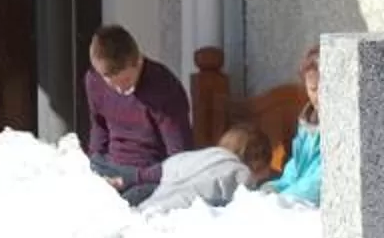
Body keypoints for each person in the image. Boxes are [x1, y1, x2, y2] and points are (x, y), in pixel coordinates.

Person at [83, 22, 194, 201]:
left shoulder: (164, 88)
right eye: (110, 82)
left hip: (149, 174)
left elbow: (179, 159)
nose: (119, 89)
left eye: (126, 80)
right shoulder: (94, 81)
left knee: (119, 210)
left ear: (138, 61)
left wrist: (132, 178)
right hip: (109, 166)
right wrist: (93, 161)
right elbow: (99, 127)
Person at [136, 120, 273, 216]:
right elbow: (251, 204)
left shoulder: (192, 158)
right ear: (258, 161)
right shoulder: (241, 174)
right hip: (175, 218)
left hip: (147, 209)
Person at [269, 45, 323, 205]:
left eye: (326, 87)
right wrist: (275, 188)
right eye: (313, 89)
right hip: (298, 201)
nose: (320, 96)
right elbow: (296, 167)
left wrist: (283, 199)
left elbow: (321, 180)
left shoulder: (344, 127)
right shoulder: (308, 125)